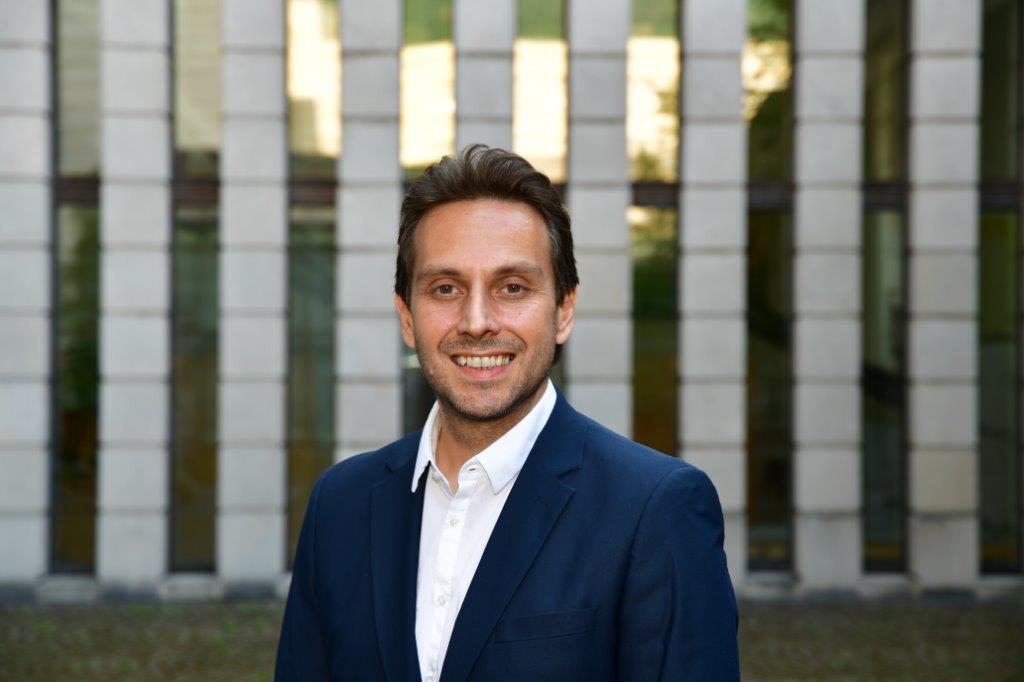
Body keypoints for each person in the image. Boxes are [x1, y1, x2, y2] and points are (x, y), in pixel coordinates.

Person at [275, 145, 739, 681]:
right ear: (407, 317)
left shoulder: (655, 510)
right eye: (445, 288)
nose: (476, 321)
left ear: (563, 310)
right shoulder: (340, 505)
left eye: (512, 288)